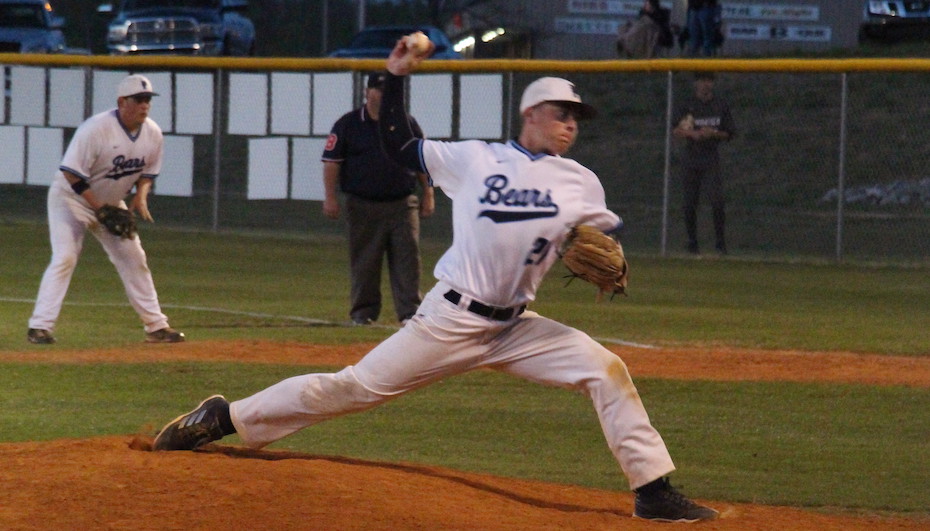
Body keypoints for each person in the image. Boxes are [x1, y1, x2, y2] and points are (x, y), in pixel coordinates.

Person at [152, 39, 718, 523]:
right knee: (349, 390)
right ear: (532, 114)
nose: (572, 124)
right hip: (451, 318)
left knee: (604, 369)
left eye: (577, 117)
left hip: (517, 326)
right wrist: (397, 78)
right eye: (562, 112)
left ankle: (652, 491)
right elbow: (400, 148)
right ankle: (221, 418)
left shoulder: (581, 181)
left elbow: (607, 251)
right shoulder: (476, 159)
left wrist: (606, 259)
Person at [27, 74, 185, 345]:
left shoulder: (153, 133)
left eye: (147, 100)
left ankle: (156, 327)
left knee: (135, 258)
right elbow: (72, 175)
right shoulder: (96, 129)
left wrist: (141, 196)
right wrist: (99, 208)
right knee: (65, 256)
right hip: (71, 200)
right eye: (138, 100)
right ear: (122, 102)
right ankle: (39, 327)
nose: (145, 105)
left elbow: (148, 172)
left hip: (111, 203)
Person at [322, 72, 435, 325]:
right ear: (367, 93)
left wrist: (428, 193)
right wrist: (330, 197)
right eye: (377, 90)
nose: (382, 96)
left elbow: (422, 161)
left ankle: (409, 314)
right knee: (365, 262)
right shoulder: (349, 124)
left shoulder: (405, 122)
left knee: (408, 262)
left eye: (387, 91)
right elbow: (332, 163)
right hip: (362, 204)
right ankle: (363, 314)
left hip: (402, 205)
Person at [672, 71, 735, 255]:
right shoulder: (688, 105)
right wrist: (694, 134)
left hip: (710, 158)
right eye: (702, 81)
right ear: (696, 83)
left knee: (717, 201)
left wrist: (713, 134)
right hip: (691, 158)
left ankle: (720, 244)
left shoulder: (719, 105)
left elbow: (729, 133)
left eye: (709, 80)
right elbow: (677, 130)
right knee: (690, 202)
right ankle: (692, 243)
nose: (706, 84)